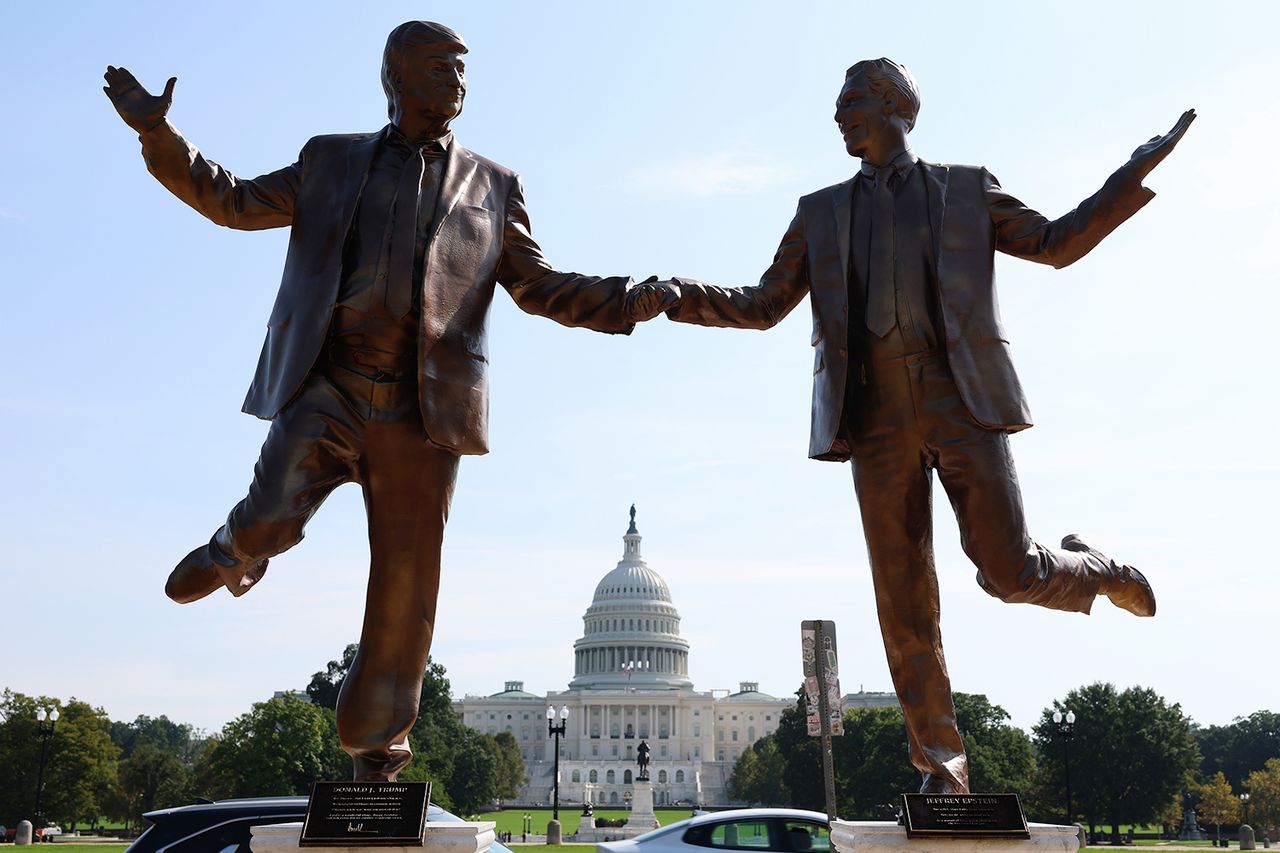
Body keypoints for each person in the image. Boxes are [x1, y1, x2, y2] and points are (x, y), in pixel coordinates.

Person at [104, 20, 666, 781]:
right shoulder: (330, 160)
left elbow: (539, 286)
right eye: (439, 68)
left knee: (406, 583)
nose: (456, 83)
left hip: (423, 411)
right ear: (395, 77)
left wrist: (628, 299)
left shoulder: (494, 185)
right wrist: (158, 133)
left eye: (461, 70)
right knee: (272, 513)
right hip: (329, 384)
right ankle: (238, 549)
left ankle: (377, 746)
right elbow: (232, 201)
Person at [627, 58, 1193, 793]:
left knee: (1009, 572)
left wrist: (1129, 176)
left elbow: (1056, 242)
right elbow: (764, 304)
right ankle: (942, 761)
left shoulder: (965, 188)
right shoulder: (820, 211)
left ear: (898, 106)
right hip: (874, 417)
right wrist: (679, 295)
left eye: (852, 101)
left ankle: (1100, 569)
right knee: (903, 599)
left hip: (962, 401)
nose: (839, 116)